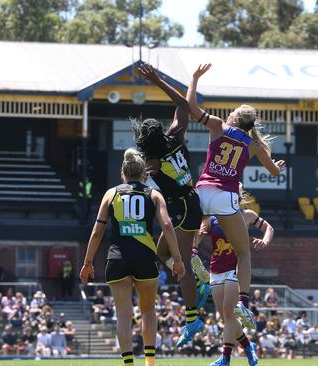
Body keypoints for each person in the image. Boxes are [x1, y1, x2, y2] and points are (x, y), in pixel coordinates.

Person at [187, 64, 285, 328]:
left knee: (193, 228)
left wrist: (194, 79)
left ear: (234, 119)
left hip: (203, 189)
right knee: (243, 253)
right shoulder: (254, 144)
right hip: (226, 196)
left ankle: (193, 253)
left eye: (231, 113)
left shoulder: (218, 126)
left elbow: (192, 108)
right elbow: (274, 171)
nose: (227, 114)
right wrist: (278, 166)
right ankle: (243, 301)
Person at [79, 148, 185, 366]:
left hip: (117, 258)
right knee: (148, 310)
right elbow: (167, 225)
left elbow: (97, 231)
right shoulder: (154, 195)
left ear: (123, 173)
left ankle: (128, 363)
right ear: (144, 174)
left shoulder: (111, 194)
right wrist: (178, 259)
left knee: (123, 314)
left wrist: (88, 262)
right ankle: (149, 361)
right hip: (145, 257)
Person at [134, 64, 211, 347]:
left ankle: (193, 319)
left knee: (181, 266)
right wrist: (157, 80)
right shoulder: (176, 135)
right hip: (190, 202)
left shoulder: (151, 160)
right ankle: (198, 283)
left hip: (180, 207)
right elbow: (182, 104)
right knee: (161, 254)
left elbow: (136, 172)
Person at [197, 198, 272, 366]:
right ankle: (248, 345)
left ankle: (225, 358)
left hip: (235, 268)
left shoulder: (246, 215)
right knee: (225, 318)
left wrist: (265, 241)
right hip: (216, 270)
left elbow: (269, 228)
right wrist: (197, 240)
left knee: (229, 312)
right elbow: (198, 236)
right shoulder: (213, 217)